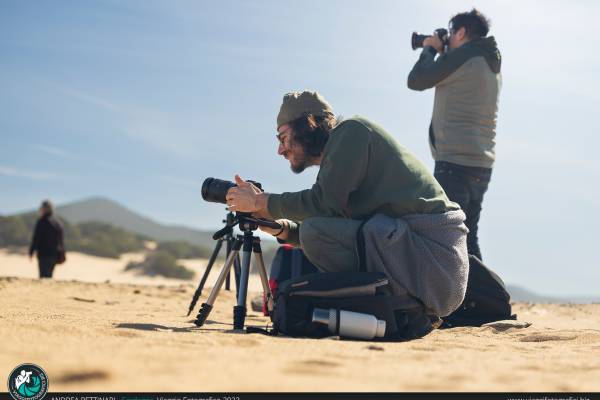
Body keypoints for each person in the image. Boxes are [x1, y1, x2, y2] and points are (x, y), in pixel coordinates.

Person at [225, 90, 469, 318]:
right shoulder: (338, 163)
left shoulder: (352, 131)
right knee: (314, 231)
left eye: (283, 137)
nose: (280, 149)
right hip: (420, 259)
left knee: (313, 230)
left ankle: (387, 307)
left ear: (307, 125)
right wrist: (280, 227)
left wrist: (259, 201)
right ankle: (381, 305)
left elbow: (322, 205)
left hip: (435, 259)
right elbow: (328, 228)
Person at [407, 9, 501, 261]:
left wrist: (429, 48)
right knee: (468, 236)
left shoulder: (464, 58)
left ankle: (465, 298)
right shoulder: (489, 61)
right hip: (480, 163)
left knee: (448, 236)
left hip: (455, 163)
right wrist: (443, 50)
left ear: (461, 32)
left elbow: (416, 80)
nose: (447, 39)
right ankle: (483, 299)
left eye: (450, 34)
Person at [29, 200, 65, 278]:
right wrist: (63, 253)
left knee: (44, 276)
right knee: (49, 276)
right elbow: (61, 241)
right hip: (54, 254)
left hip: (43, 254)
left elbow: (36, 238)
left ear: (44, 209)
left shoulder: (42, 221)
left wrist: (31, 251)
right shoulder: (57, 222)